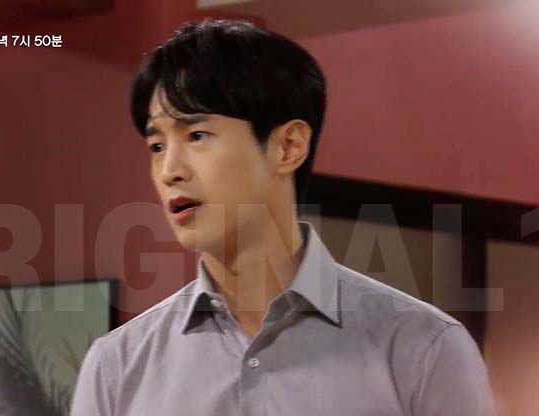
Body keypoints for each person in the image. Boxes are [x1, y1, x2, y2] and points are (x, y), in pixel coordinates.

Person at [71, 19, 497, 416]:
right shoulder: (117, 366)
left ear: (288, 147)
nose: (169, 171)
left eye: (197, 135)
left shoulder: (423, 349)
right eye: (157, 146)